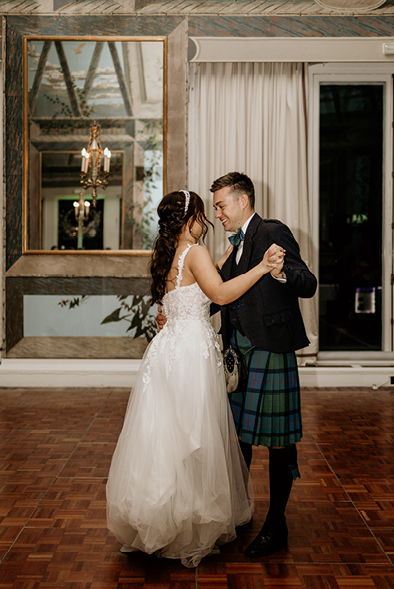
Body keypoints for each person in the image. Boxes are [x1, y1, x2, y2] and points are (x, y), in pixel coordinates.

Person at [106, 190, 285, 568]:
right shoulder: (197, 253)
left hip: (167, 352)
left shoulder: (171, 253)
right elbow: (217, 291)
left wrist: (224, 259)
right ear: (191, 219)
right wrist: (262, 267)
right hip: (190, 354)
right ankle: (189, 520)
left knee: (166, 435)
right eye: (203, 214)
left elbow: (191, 288)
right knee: (194, 435)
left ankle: (162, 515)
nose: (207, 221)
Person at [210, 172, 318, 558]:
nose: (217, 213)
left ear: (242, 201)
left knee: (278, 443)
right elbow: (219, 293)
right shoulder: (235, 245)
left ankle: (277, 523)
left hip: (270, 348)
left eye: (221, 205)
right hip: (238, 352)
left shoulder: (273, 231)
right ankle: (241, 512)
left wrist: (283, 272)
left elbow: (308, 282)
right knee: (239, 439)